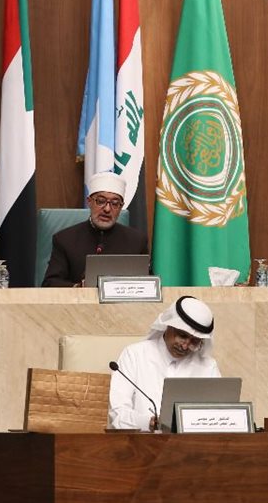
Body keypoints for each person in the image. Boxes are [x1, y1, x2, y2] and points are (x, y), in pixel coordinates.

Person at [108, 295, 220, 431]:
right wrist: (148, 422)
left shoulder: (208, 367)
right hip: (142, 441)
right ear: (169, 325)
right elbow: (117, 413)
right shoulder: (134, 355)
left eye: (194, 341)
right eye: (182, 336)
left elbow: (218, 415)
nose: (185, 346)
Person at [42, 171, 147, 287]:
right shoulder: (65, 239)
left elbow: (148, 284)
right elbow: (50, 284)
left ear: (121, 207)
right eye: (101, 201)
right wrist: (79, 288)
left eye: (115, 203)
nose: (107, 209)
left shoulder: (137, 241)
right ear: (89, 202)